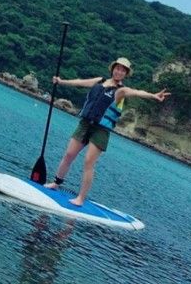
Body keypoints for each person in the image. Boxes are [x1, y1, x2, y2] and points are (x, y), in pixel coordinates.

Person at [45, 57, 170, 206]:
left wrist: (153, 96)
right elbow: (80, 82)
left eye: (123, 70)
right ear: (113, 69)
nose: (119, 71)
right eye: (118, 68)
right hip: (85, 124)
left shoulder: (121, 91)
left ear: (126, 74)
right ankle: (56, 183)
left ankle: (80, 198)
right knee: (69, 155)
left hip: (101, 130)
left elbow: (137, 92)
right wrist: (61, 81)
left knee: (88, 163)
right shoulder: (99, 81)